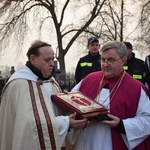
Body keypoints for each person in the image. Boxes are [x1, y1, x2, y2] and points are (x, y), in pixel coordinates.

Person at [0, 40, 88, 150]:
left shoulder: (52, 83)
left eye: (52, 59)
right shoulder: (19, 84)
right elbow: (28, 126)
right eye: (47, 60)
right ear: (33, 59)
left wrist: (71, 107)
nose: (51, 64)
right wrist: (66, 122)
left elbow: (57, 113)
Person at [70, 41, 150, 150]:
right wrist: (80, 117)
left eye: (111, 60)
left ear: (123, 61)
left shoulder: (136, 88)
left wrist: (121, 124)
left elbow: (147, 120)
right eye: (103, 60)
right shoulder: (88, 80)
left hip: (116, 143)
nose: (105, 64)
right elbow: (71, 106)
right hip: (88, 141)